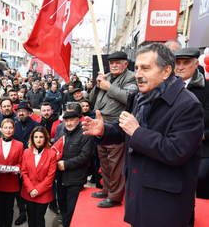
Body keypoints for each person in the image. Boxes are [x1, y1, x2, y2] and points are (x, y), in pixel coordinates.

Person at [83, 44, 204, 227]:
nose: (138, 74)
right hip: (138, 193)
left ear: (166, 72)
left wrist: (138, 132)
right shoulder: (142, 96)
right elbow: (125, 126)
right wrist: (104, 130)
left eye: (145, 68)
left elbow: (176, 151)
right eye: (137, 68)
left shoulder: (188, 105)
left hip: (165, 204)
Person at [88, 51, 136, 208]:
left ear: (126, 64)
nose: (114, 65)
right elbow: (91, 99)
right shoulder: (106, 76)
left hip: (116, 126)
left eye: (118, 62)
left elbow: (129, 98)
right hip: (101, 125)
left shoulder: (131, 77)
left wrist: (109, 87)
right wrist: (97, 85)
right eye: (112, 63)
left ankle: (115, 196)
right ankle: (107, 189)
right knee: (104, 162)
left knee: (115, 163)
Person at [174, 47, 209, 200]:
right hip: (170, 143)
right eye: (177, 63)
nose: (181, 67)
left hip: (201, 145)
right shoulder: (163, 87)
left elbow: (205, 117)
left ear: (196, 65)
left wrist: (201, 135)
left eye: (186, 63)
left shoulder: (207, 88)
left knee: (200, 178)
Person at [52, 111, 93, 227]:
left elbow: (85, 157)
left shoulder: (86, 134)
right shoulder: (62, 134)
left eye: (72, 120)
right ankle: (66, 222)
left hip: (75, 178)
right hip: (61, 177)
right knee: (62, 204)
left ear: (78, 120)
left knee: (72, 208)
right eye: (67, 121)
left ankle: (69, 224)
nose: (69, 123)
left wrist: (65, 164)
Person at [20, 126, 57, 227]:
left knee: (39, 218)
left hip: (43, 192)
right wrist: (31, 189)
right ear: (32, 138)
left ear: (45, 138)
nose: (38, 140)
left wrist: (37, 190)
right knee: (31, 218)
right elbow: (24, 173)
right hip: (29, 191)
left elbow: (50, 177)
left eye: (41, 137)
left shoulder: (51, 154)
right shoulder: (26, 152)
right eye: (36, 137)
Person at [0, 119, 24, 227]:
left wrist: (14, 169)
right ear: (2, 129)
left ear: (14, 129)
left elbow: (20, 162)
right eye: (6, 127)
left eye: (11, 127)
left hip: (11, 181)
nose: (8, 130)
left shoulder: (19, 145)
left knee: (9, 209)